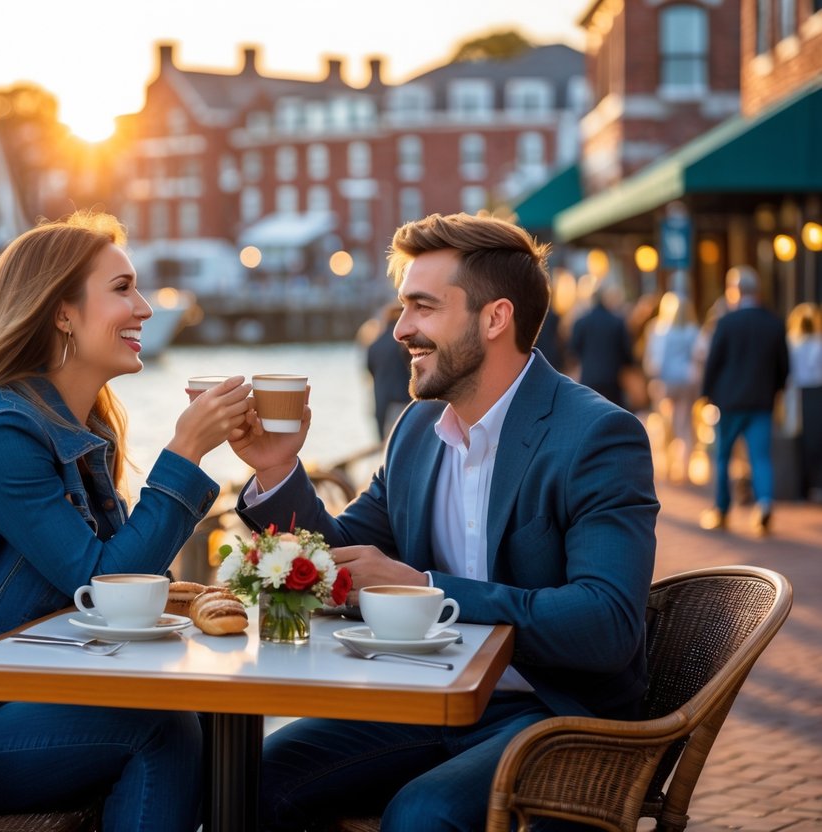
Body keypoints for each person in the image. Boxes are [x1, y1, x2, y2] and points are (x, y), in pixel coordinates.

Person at [228, 212, 659, 831]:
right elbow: (336, 558)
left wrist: (427, 592)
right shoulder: (415, 430)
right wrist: (276, 470)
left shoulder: (597, 436)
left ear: (494, 318)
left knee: (422, 813)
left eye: (422, 307)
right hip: (425, 699)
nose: (400, 329)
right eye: (403, 308)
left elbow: (606, 623)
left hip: (553, 714)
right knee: (249, 779)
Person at [0, 212, 251, 831]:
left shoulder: (86, 427)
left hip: (7, 698)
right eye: (122, 288)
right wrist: (185, 455)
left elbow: (119, 593)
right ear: (61, 312)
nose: (145, 307)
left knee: (206, 709)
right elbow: (103, 585)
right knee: (160, 729)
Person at [699, 266, 789, 535]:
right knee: (760, 457)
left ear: (735, 291)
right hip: (761, 401)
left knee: (723, 457)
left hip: (729, 402)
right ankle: (764, 504)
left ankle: (722, 510)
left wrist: (706, 395)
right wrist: (776, 390)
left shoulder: (726, 322)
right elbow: (784, 366)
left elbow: (713, 363)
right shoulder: (773, 322)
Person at [642, 292, 702, 482]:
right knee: (685, 424)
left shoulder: (660, 330)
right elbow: (700, 356)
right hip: (687, 381)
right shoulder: (694, 331)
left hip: (666, 381)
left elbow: (653, 361)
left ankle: (666, 464)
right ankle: (684, 468)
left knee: (666, 422)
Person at [569, 280, 637, 408]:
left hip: (589, 377)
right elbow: (626, 352)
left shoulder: (582, 322)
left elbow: (573, 348)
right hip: (612, 378)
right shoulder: (617, 322)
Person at [786, 303, 822, 501]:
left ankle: (803, 486)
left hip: (800, 394)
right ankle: (814, 484)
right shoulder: (817, 344)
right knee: (815, 439)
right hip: (814, 392)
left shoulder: (793, 344)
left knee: (801, 440)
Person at [365, 304, 413, 440]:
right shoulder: (406, 344)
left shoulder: (374, 345)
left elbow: (369, 370)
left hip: (381, 403)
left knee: (385, 447)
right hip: (404, 402)